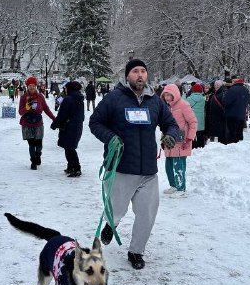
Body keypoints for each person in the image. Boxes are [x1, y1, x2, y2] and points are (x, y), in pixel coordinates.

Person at [89, 58, 180, 270]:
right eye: (135, 71)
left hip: (148, 170)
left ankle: (136, 251)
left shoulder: (155, 101)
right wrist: (110, 137)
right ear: (127, 76)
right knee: (116, 209)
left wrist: (170, 135)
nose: (140, 75)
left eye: (143, 71)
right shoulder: (114, 98)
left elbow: (171, 124)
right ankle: (111, 223)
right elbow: (95, 122)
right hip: (121, 167)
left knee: (147, 214)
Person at [160, 84, 197, 198]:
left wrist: (189, 138)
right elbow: (166, 124)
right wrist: (163, 138)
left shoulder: (183, 105)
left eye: (169, 95)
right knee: (169, 165)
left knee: (178, 165)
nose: (167, 97)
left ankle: (181, 189)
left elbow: (193, 122)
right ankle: (174, 185)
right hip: (170, 141)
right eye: (165, 95)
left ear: (175, 94)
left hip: (182, 141)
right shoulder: (166, 107)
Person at [19, 75, 55, 169]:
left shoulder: (40, 96)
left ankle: (38, 155)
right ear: (27, 86)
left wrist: (53, 118)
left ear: (36, 86)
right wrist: (27, 108)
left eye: (33, 85)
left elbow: (46, 109)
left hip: (38, 122)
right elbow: (20, 112)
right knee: (31, 143)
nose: (32, 87)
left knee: (39, 143)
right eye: (30, 85)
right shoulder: (24, 97)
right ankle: (33, 161)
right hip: (27, 123)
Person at [51, 80, 85, 177]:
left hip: (68, 126)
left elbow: (62, 114)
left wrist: (54, 124)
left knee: (70, 148)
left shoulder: (68, 99)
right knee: (69, 147)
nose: (64, 90)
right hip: (77, 126)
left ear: (69, 88)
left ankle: (76, 168)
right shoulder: (79, 99)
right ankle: (70, 166)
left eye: (65, 88)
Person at [223, 77, 250, 144]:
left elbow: (225, 101)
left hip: (231, 114)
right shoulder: (246, 90)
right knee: (239, 132)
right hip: (241, 115)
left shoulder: (232, 90)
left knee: (231, 133)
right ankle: (239, 145)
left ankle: (231, 146)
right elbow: (248, 101)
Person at [206, 79, 228, 144]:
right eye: (215, 85)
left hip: (219, 117)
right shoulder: (219, 92)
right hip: (217, 117)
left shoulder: (222, 93)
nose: (215, 87)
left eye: (216, 85)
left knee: (220, 134)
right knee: (219, 133)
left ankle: (221, 144)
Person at [186, 83, 206, 148]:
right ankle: (201, 147)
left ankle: (193, 147)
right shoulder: (203, 99)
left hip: (192, 120)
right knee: (200, 135)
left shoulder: (189, 99)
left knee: (192, 135)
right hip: (201, 120)